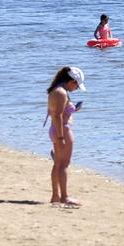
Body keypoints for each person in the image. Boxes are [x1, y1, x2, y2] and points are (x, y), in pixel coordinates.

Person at [46, 66, 85, 207]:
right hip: (62, 130)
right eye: (77, 86)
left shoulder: (55, 90)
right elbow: (57, 115)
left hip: (55, 129)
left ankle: (56, 196)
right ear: (72, 81)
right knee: (63, 164)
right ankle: (64, 197)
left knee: (57, 163)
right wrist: (61, 138)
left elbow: (56, 112)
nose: (76, 89)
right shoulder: (61, 93)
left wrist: (73, 108)